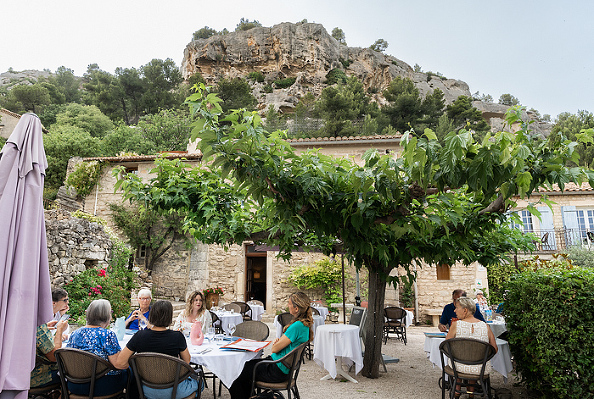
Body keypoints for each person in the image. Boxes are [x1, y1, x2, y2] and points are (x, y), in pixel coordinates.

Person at [229, 291, 313, 399]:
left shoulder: (297, 326)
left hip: (276, 370)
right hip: (281, 368)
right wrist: (280, 342)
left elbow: (274, 349)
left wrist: (277, 343)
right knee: (244, 369)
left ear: (296, 308)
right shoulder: (304, 325)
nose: (288, 305)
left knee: (234, 373)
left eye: (289, 303)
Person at [115, 300, 199, 399]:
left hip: (146, 389)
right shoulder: (177, 337)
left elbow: (120, 363)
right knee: (198, 384)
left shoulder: (139, 336)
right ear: (169, 317)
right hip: (173, 389)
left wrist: (137, 368)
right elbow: (187, 361)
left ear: (152, 315)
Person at [66, 299, 128, 396]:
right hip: (99, 386)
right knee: (131, 372)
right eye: (110, 313)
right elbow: (119, 364)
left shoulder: (75, 333)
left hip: (75, 385)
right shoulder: (107, 335)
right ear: (106, 316)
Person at [445, 297, 498, 397]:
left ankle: (457, 389)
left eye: (456, 308)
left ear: (465, 310)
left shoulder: (456, 325)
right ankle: (471, 391)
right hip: (480, 369)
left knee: (457, 357)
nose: (454, 310)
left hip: (458, 368)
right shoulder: (485, 326)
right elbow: (494, 349)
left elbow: (446, 346)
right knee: (472, 358)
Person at [30, 320, 68, 388]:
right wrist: (60, 330)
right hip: (34, 377)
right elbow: (54, 356)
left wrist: (46, 329)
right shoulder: (38, 326)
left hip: (17, 375)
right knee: (71, 372)